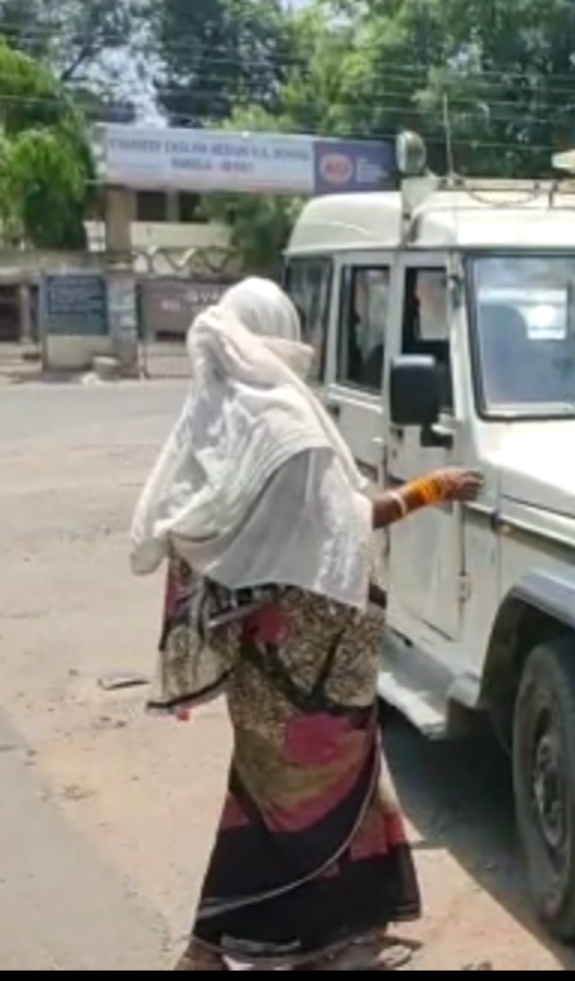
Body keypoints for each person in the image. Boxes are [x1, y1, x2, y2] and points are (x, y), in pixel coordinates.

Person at [128, 278, 483, 972]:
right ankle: (292, 943)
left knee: (266, 802)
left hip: (260, 664)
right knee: (309, 805)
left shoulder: (219, 421)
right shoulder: (286, 430)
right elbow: (346, 522)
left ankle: (268, 943)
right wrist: (431, 490)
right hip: (312, 667)